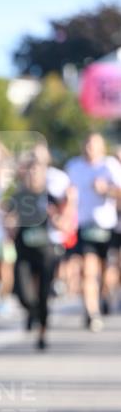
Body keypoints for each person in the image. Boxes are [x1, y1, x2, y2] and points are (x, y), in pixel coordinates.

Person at [65, 132, 121, 331]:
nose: (90, 149)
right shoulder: (74, 166)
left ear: (101, 147)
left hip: (107, 226)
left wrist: (107, 189)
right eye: (87, 144)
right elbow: (67, 194)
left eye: (94, 145)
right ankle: (92, 311)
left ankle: (105, 295)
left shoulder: (110, 166)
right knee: (89, 271)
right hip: (85, 226)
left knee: (107, 275)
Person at [11, 156, 66, 349]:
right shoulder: (18, 196)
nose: (33, 175)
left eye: (37, 171)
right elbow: (8, 219)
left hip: (46, 253)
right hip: (24, 251)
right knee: (23, 293)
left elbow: (63, 224)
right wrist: (9, 224)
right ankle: (31, 311)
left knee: (43, 295)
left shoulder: (50, 197)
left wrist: (56, 218)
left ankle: (42, 334)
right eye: (30, 171)